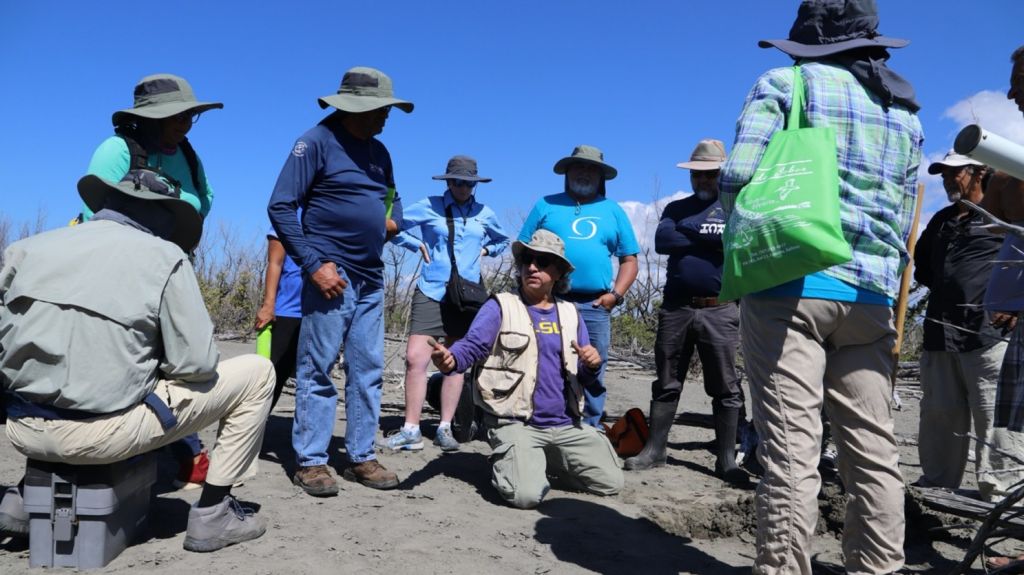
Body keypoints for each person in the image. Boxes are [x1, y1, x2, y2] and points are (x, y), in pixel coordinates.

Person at [719, 1, 924, 573]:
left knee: (791, 451)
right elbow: (906, 211)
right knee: (874, 452)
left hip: (793, 284)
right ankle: (877, 568)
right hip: (873, 295)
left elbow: (736, 175)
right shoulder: (906, 113)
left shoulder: (786, 82)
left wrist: (746, 227)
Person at [0, 169, 274, 552]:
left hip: (22, 430)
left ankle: (25, 496)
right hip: (103, 436)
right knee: (259, 373)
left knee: (63, 376)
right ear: (161, 215)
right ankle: (214, 514)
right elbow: (195, 364)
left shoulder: (24, 248)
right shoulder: (165, 258)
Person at [267, 66, 411, 496]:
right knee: (318, 368)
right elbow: (280, 207)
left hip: (371, 275)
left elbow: (394, 199)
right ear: (355, 106)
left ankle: (361, 456)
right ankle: (311, 461)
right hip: (332, 273)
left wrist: (392, 222)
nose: (386, 116)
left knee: (367, 369)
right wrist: (314, 264)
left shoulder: (379, 152)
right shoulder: (314, 142)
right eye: (380, 109)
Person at [83, 73, 223, 489]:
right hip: (120, 275)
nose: (184, 123)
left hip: (174, 270)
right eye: (175, 116)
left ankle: (184, 449)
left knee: (178, 361)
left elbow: (205, 202)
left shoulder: (190, 157)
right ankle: (112, 448)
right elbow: (95, 210)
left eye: (189, 116)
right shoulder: (117, 149)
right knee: (124, 361)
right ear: (149, 118)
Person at [430, 230, 624, 508]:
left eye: (543, 262)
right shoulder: (500, 306)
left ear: (558, 272)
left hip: (565, 424)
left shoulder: (571, 313)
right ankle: (517, 462)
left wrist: (592, 365)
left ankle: (537, 462)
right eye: (527, 261)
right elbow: (472, 346)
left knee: (610, 483)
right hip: (515, 423)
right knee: (525, 496)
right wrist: (452, 360)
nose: (532, 267)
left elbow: (584, 375)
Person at [623, 139, 747, 485]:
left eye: (710, 174)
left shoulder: (737, 207)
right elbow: (663, 242)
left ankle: (726, 460)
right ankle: (655, 449)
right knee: (666, 381)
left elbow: (734, 241)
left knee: (725, 386)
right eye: (698, 175)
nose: (703, 180)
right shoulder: (676, 209)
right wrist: (707, 233)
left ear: (722, 174)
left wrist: (692, 232)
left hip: (720, 308)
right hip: (676, 308)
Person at [914, 152, 1024, 499]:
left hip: (989, 335)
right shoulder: (941, 221)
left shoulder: (1001, 218)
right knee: (939, 414)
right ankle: (936, 486)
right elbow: (924, 270)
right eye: (943, 175)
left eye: (955, 173)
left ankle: (1000, 492)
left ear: (979, 173)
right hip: (940, 332)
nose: (948, 180)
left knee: (994, 418)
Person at [385, 155, 509, 452]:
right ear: (448, 181)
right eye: (457, 181)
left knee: (456, 360)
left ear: (475, 184)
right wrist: (415, 244)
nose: (463, 187)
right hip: (431, 289)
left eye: (468, 183)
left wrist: (487, 250)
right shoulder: (429, 206)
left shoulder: (484, 213)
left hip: (466, 296)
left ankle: (445, 427)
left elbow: (503, 239)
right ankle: (411, 429)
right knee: (416, 357)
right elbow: (393, 227)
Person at [519, 145, 639, 428]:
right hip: (546, 303)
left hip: (595, 305)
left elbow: (630, 260)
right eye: (579, 167)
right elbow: (523, 251)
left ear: (600, 176)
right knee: (543, 361)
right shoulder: (545, 205)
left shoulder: (613, 210)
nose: (584, 173)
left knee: (593, 367)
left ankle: (590, 428)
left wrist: (615, 295)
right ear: (568, 171)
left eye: (591, 169)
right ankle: (541, 421)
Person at [254, 227, 303, 410]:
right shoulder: (288, 214)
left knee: (312, 381)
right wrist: (268, 305)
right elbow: (275, 262)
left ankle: (304, 437)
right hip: (287, 310)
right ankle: (252, 431)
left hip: (319, 313)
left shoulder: (331, 211)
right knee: (269, 377)